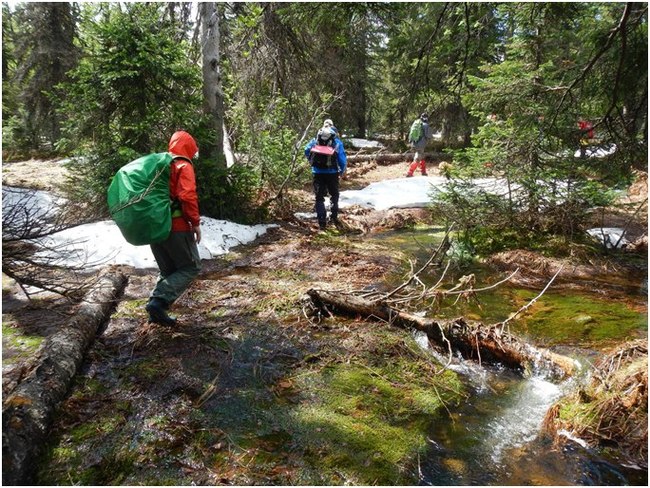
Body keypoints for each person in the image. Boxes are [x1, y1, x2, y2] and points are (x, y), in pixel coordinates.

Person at [146, 130, 202, 326]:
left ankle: (155, 310)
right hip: (175, 226)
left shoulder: (158, 165)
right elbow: (187, 196)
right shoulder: (182, 165)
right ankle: (158, 302)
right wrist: (194, 223)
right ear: (188, 147)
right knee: (190, 267)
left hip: (154, 227)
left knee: (168, 270)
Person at [305, 124, 347, 230]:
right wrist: (342, 171)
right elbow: (342, 159)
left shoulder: (315, 141)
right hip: (332, 173)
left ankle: (322, 223)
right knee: (334, 195)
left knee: (319, 197)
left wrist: (312, 162)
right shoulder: (337, 143)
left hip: (317, 173)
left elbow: (306, 150)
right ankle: (333, 217)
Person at [406, 113, 432, 177]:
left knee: (422, 157)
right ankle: (410, 172)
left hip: (414, 143)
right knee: (417, 158)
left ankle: (423, 172)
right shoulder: (426, 125)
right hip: (421, 145)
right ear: (426, 118)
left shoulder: (416, 123)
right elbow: (428, 135)